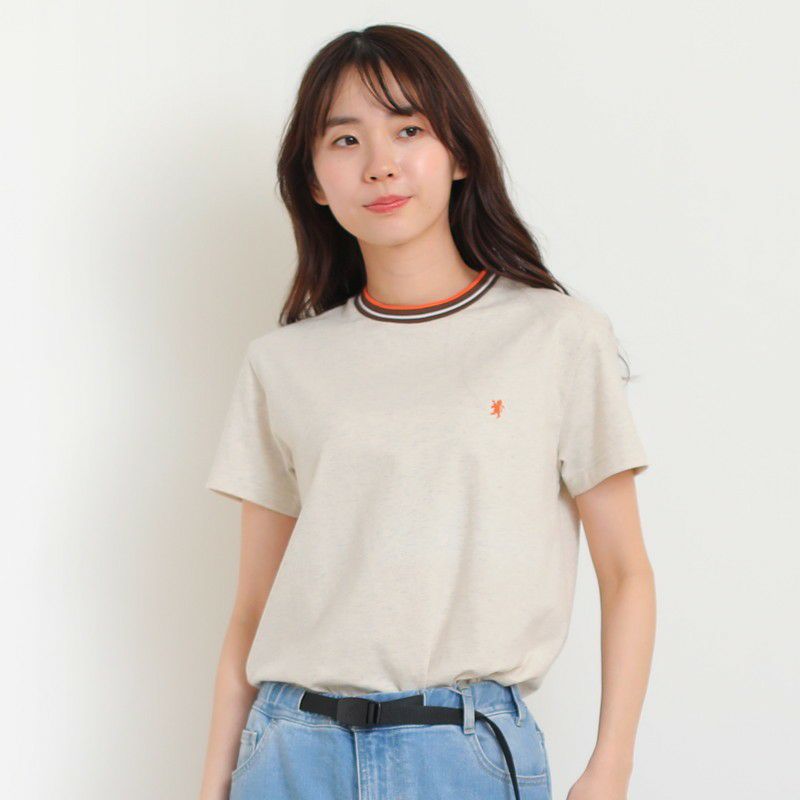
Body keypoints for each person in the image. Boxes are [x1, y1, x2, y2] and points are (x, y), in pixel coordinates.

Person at [198, 23, 655, 800]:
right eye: (345, 139)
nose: (380, 163)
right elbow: (252, 609)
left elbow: (626, 572)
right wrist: (213, 784)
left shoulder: (557, 335)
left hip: (461, 752)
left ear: (459, 152)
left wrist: (611, 767)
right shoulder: (281, 364)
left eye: (408, 129)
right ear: (315, 181)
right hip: (288, 752)